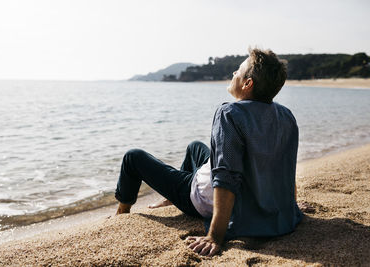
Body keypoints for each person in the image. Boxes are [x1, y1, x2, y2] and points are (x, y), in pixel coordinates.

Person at [114, 48, 303, 257]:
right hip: (262, 202)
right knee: (195, 146)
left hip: (204, 198)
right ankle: (170, 198)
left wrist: (215, 236)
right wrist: (289, 205)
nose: (233, 74)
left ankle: (122, 212)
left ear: (247, 84)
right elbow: (286, 164)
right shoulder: (286, 116)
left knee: (133, 157)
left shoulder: (230, 114)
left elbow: (226, 178)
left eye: (238, 71)